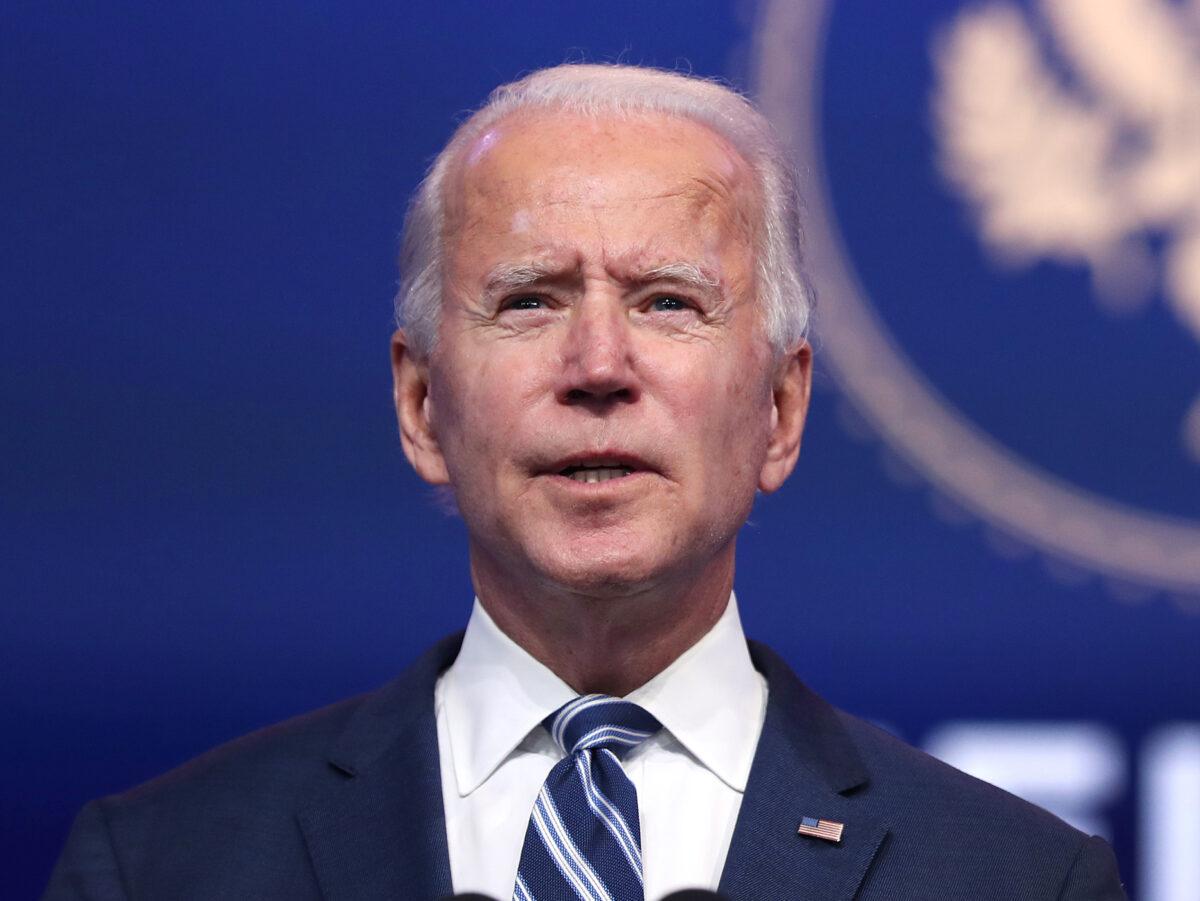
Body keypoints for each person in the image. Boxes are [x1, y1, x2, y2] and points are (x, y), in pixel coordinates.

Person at [43, 64, 1126, 900]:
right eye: (529, 301)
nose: (600, 366)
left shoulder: (1012, 878)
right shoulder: (160, 865)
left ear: (781, 413)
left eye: (667, 301)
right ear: (422, 405)